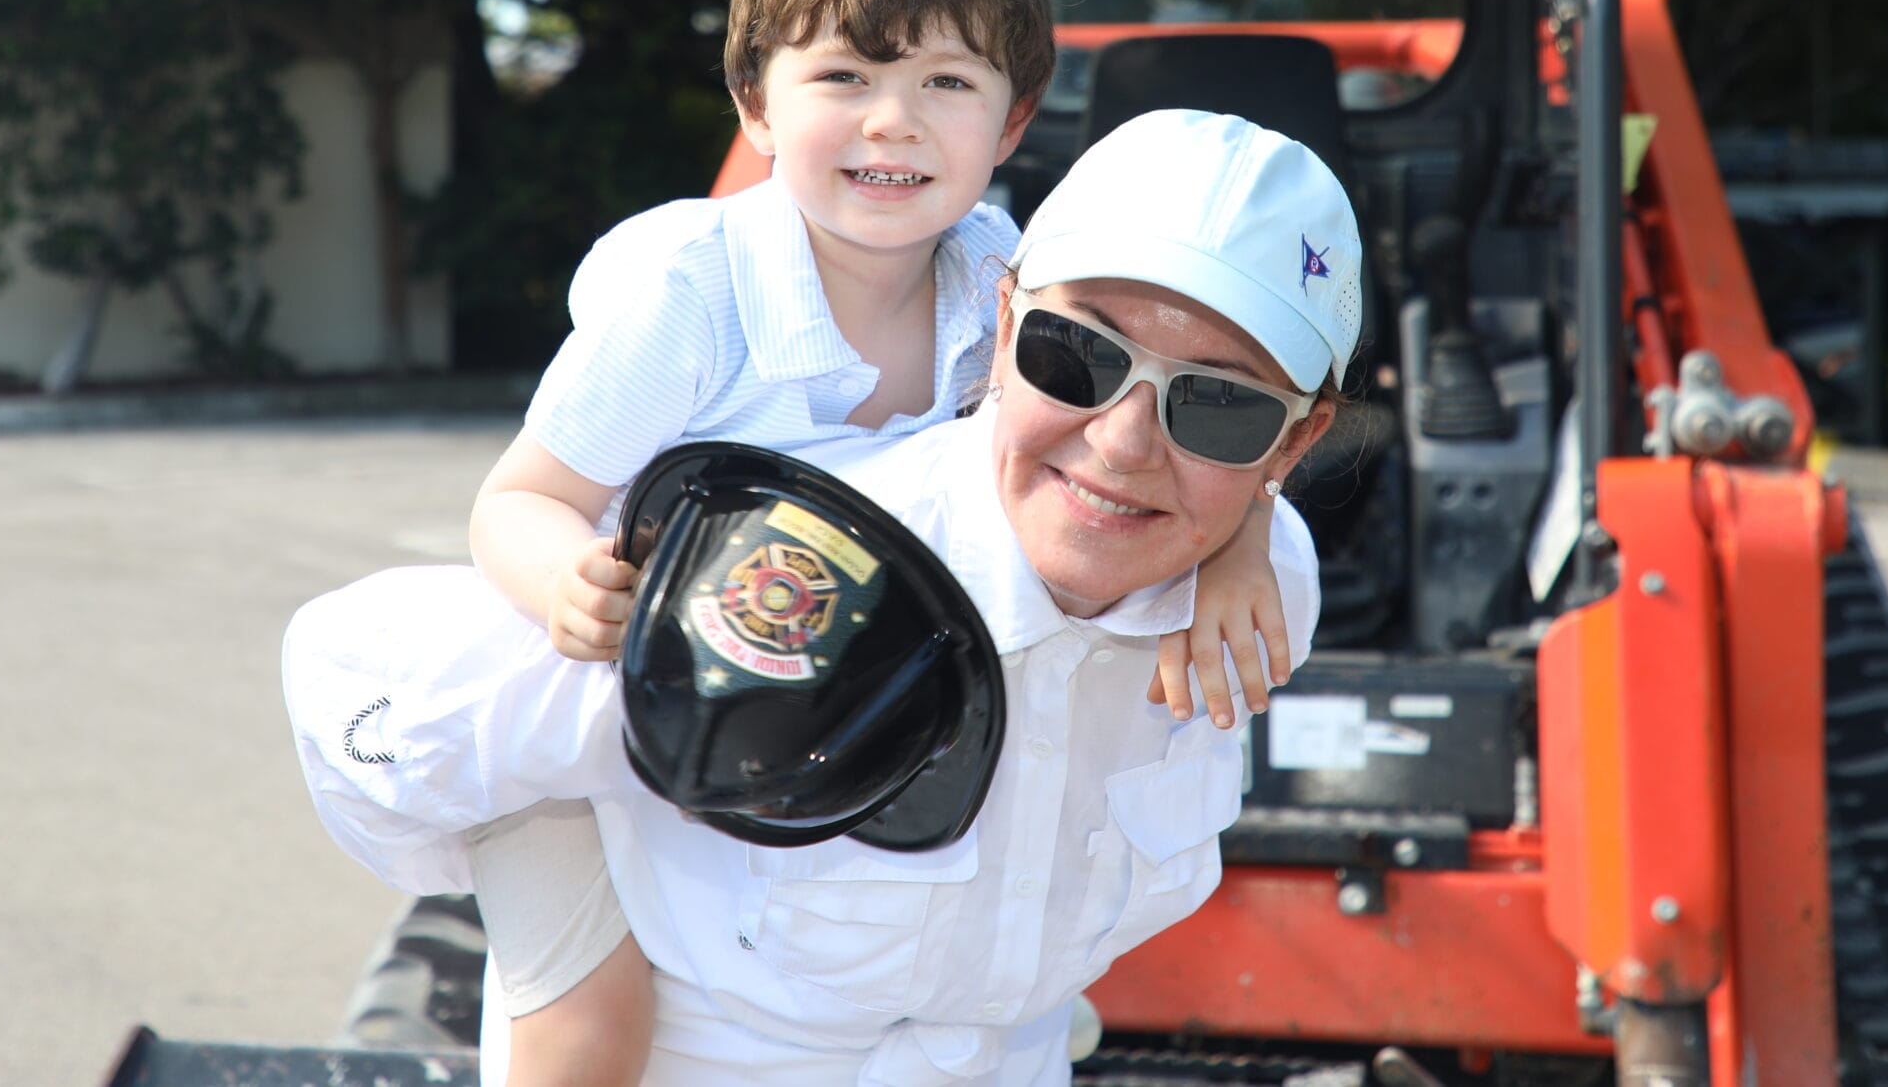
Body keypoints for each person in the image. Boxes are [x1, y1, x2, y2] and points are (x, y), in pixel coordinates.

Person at [449, 0, 1304, 1085]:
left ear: (1011, 122)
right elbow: (519, 498)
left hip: (819, 700)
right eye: (844, 75)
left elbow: (1152, 431)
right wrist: (564, 587)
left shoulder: (1006, 283)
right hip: (609, 716)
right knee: (589, 1030)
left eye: (945, 81)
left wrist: (1237, 546)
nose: (892, 120)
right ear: (755, 103)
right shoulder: (688, 300)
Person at [289, 107, 1365, 1086]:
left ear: (1294, 443)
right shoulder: (805, 585)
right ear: (1001, 327)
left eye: (1218, 407)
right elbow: (356, 681)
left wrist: (1245, 531)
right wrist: (563, 936)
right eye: (1076, 355)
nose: (1123, 444)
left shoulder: (1260, 590)